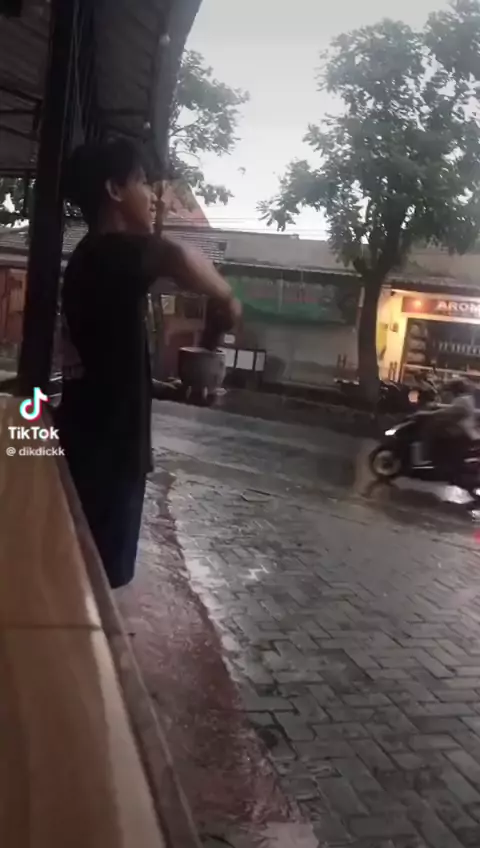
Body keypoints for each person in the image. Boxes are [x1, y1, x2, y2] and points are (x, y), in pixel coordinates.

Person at [56, 138, 241, 589]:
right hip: (105, 458)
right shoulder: (108, 254)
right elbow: (175, 255)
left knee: (90, 580)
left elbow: (105, 365)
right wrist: (227, 297)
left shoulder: (99, 262)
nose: (154, 195)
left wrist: (160, 388)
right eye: (142, 181)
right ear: (114, 190)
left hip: (101, 450)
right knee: (94, 585)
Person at [413, 377, 480, 467]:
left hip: (461, 431)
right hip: (462, 430)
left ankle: (426, 456)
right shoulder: (465, 398)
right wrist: (436, 408)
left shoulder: (463, 400)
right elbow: (451, 410)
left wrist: (427, 413)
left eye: (449, 389)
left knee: (430, 430)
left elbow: (450, 412)